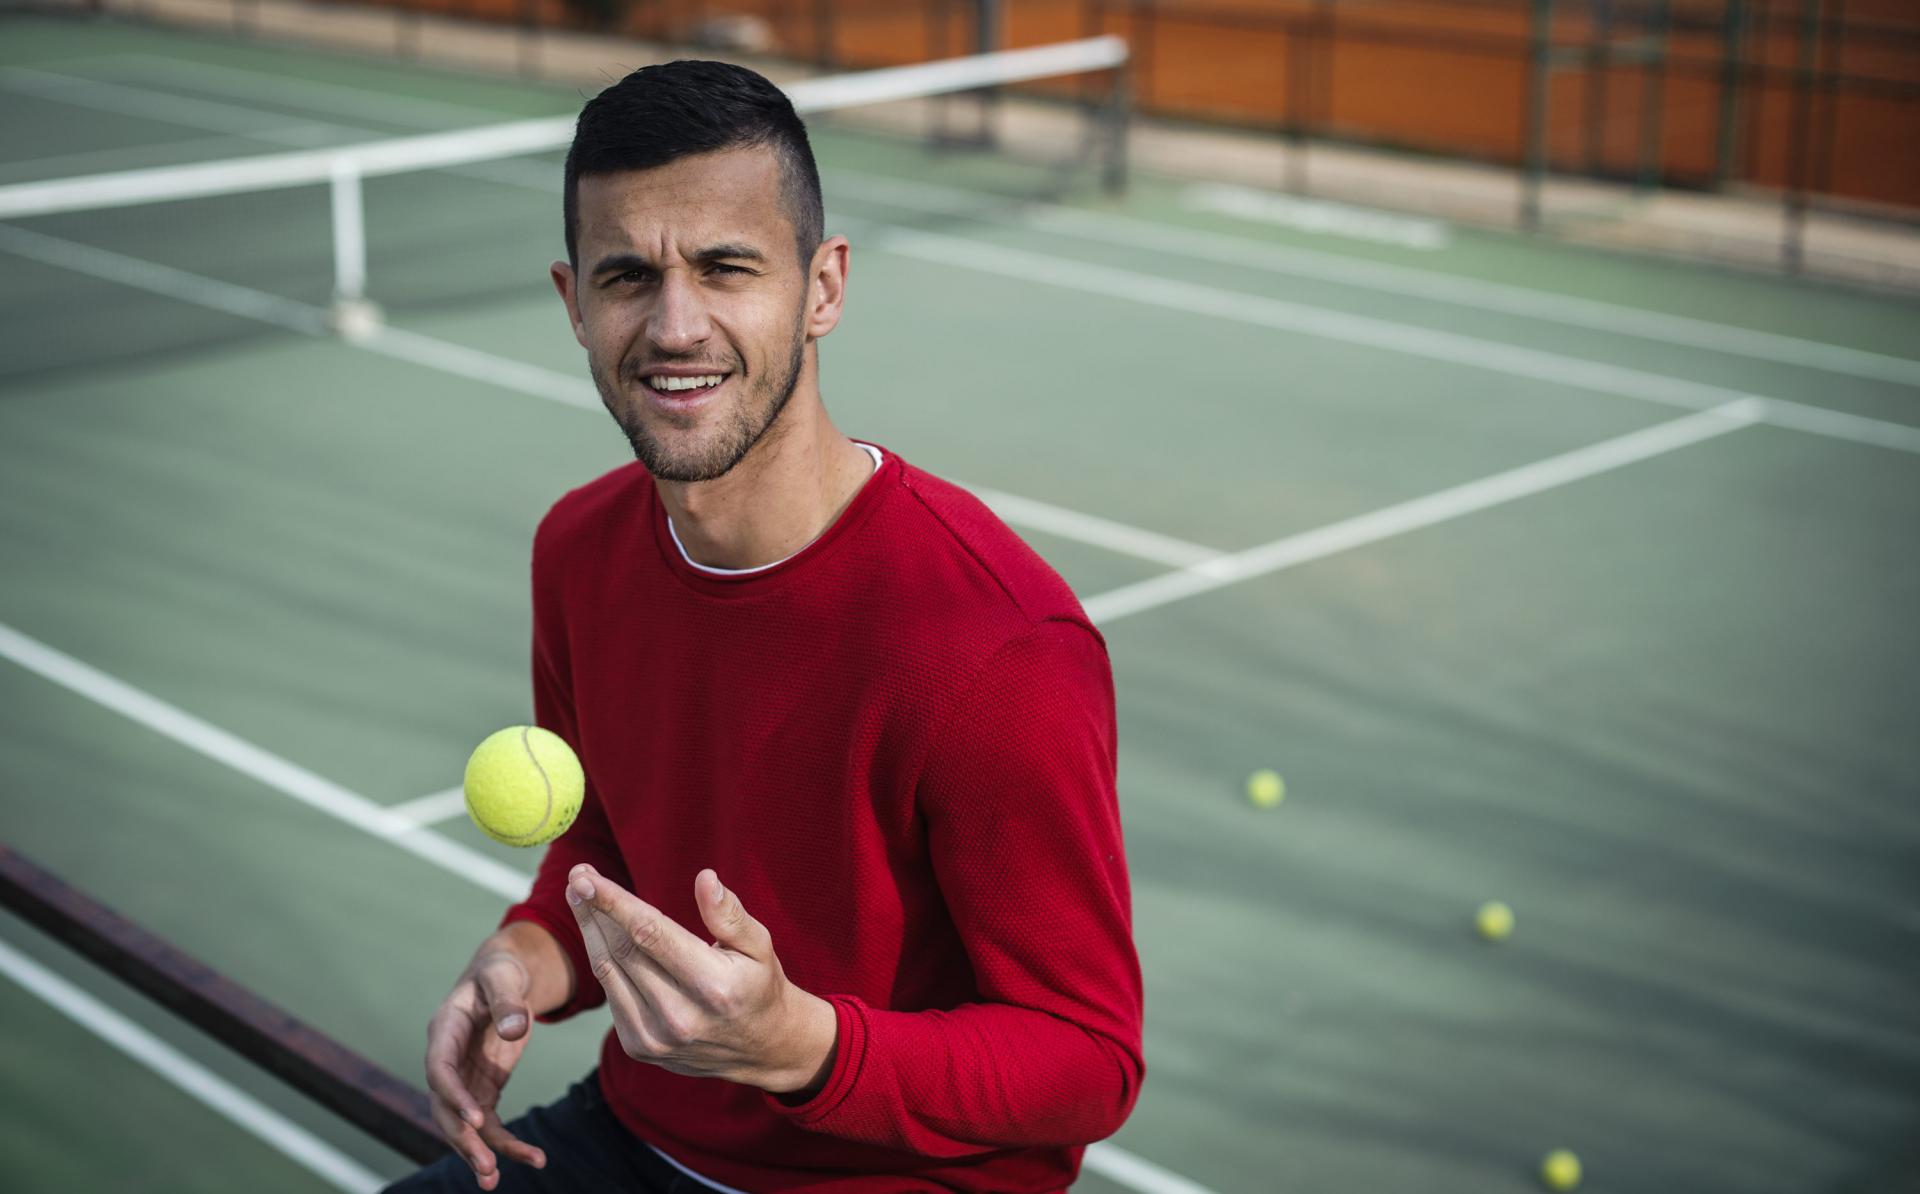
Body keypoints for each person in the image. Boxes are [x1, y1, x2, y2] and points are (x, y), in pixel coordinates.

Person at [384, 58, 1143, 1194]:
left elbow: (1088, 1061)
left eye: (727, 267)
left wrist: (805, 1048)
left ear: (823, 287)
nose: (675, 323)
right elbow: (603, 854)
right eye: (628, 276)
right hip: (635, 1140)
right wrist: (521, 961)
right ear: (573, 304)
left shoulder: (994, 644)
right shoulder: (577, 550)